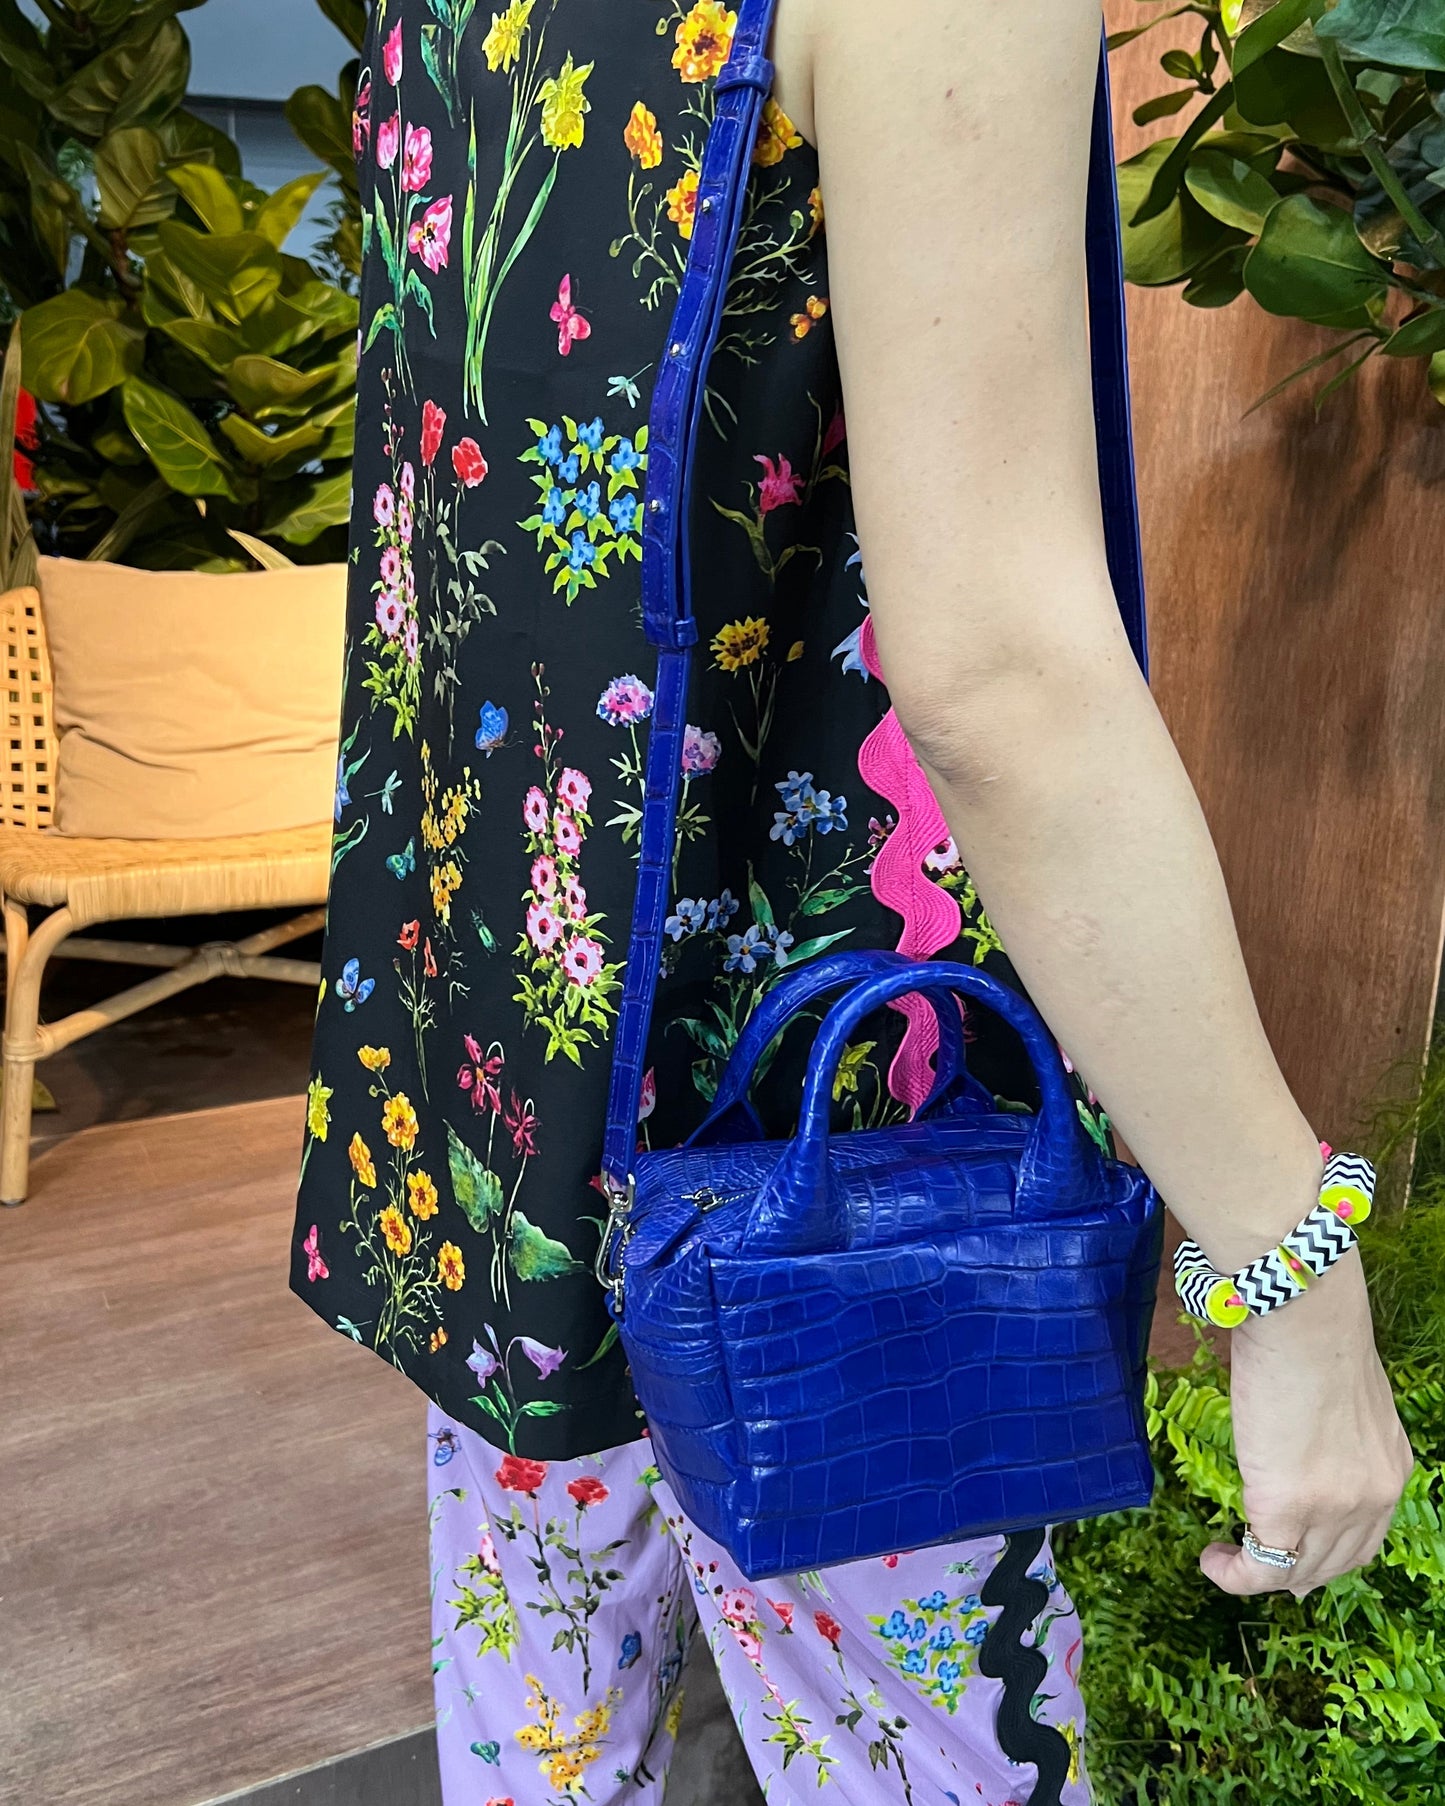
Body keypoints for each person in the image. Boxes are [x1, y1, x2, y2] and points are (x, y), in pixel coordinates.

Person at [292, 2, 1413, 1801]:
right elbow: (993, 680)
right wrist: (1288, 1262)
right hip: (832, 1195)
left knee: (543, 1742)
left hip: (501, 1100)